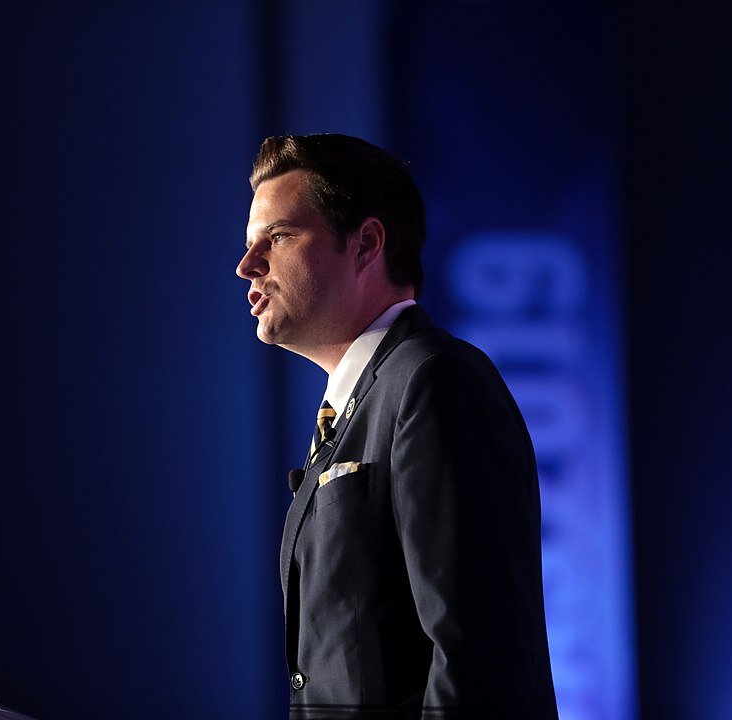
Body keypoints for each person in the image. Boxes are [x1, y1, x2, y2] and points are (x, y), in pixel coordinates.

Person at [236, 134, 558, 719]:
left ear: (366, 244)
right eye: (249, 243)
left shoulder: (435, 381)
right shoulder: (359, 405)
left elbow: (478, 661)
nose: (246, 265)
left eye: (277, 237)